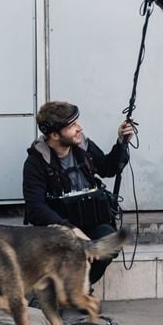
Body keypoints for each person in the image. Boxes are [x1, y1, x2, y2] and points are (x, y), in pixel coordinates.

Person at [23, 101, 134, 285]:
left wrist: (121, 142)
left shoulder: (83, 147)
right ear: (54, 134)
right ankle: (67, 293)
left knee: (109, 244)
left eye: (77, 122)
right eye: (72, 125)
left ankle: (76, 291)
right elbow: (35, 208)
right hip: (59, 230)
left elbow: (108, 168)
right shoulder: (36, 163)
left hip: (91, 222)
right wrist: (72, 231)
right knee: (74, 249)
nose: (79, 128)